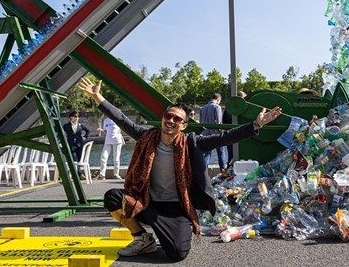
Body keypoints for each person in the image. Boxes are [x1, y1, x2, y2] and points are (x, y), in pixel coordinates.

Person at [77, 77, 282, 261]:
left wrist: (256, 124)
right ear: (163, 118)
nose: (171, 121)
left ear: (183, 125)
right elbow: (121, 119)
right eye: (169, 116)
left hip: (177, 208)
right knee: (113, 197)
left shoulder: (193, 143)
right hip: (147, 202)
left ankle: (163, 235)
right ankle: (142, 238)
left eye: (177, 119)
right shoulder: (147, 136)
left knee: (176, 253)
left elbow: (224, 138)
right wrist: (98, 97)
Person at [199, 93, 226, 172]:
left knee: (207, 155)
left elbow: (201, 122)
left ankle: (204, 173)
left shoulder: (202, 108)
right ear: (218, 100)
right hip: (216, 134)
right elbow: (218, 122)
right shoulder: (217, 107)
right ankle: (223, 171)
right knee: (221, 154)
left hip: (205, 135)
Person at [62, 110, 90, 180]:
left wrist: (85, 137)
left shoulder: (80, 125)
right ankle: (80, 174)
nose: (76, 118)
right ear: (71, 117)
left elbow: (88, 130)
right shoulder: (66, 126)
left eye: (77, 117)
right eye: (75, 116)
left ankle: (77, 174)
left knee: (79, 159)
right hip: (71, 144)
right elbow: (61, 132)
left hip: (79, 144)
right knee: (74, 159)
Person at [221, 91, 246, 164]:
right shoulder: (244, 110)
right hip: (242, 137)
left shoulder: (228, 109)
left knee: (231, 157)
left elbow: (224, 122)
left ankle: (229, 169)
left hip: (230, 136)